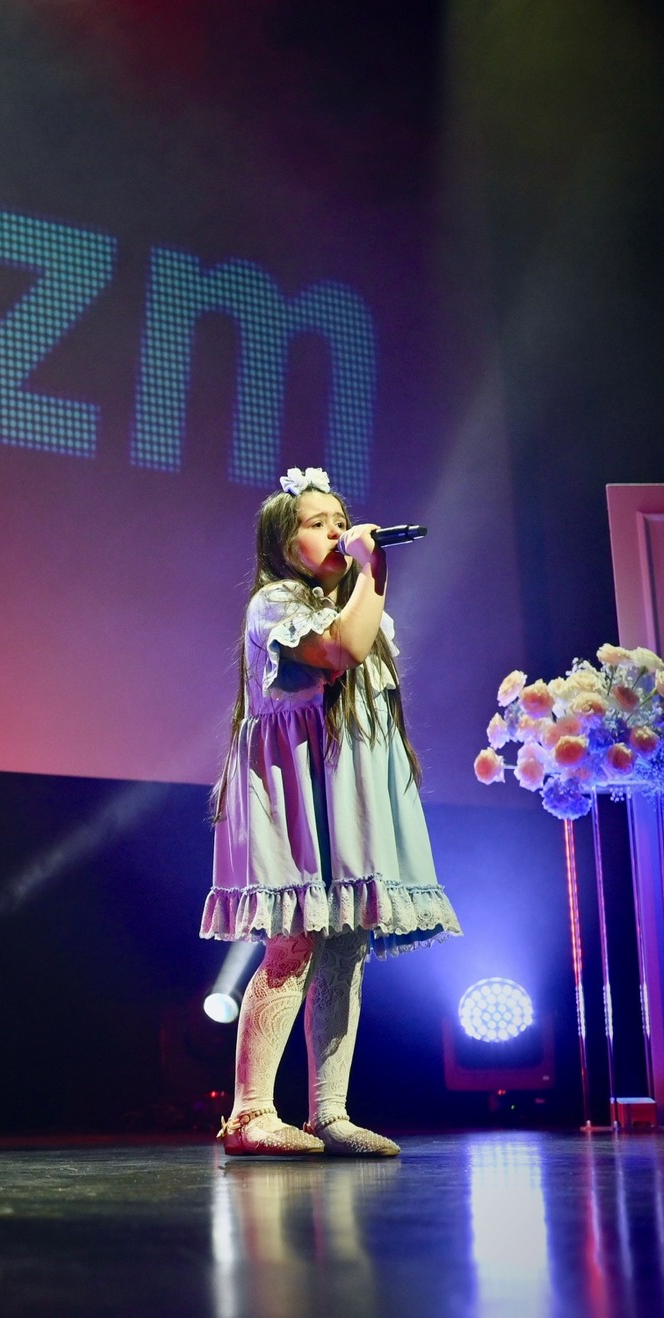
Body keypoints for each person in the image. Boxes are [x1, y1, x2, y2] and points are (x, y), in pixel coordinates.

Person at [203, 467, 460, 1156]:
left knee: (345, 944)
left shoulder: (360, 606)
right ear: (284, 545)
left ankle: (329, 1112)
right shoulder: (275, 604)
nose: (339, 531)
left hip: (347, 790)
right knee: (294, 941)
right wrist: (374, 570)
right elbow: (340, 651)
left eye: (340, 519)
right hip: (295, 789)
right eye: (317, 524)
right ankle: (252, 1113)